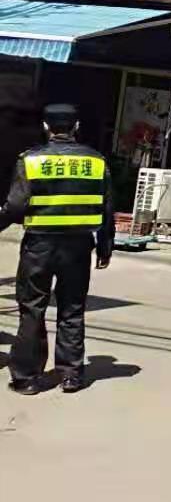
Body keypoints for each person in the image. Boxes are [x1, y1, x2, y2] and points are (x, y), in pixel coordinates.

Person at [0, 103, 113, 395]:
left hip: (39, 245)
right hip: (78, 247)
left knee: (32, 309)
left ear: (46, 127)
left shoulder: (31, 160)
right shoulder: (96, 162)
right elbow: (106, 208)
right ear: (76, 127)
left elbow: (15, 205)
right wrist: (105, 247)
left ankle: (27, 378)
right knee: (72, 309)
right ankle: (71, 375)